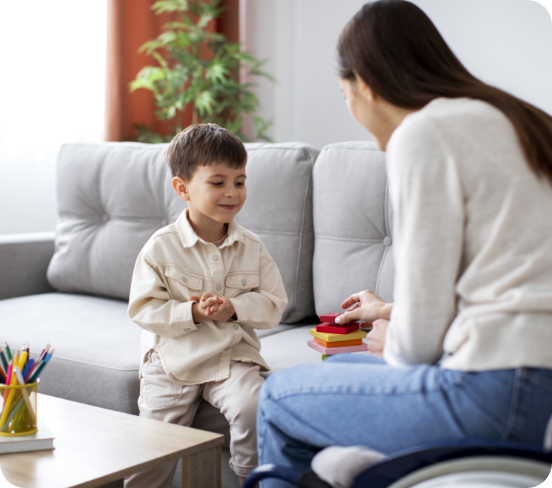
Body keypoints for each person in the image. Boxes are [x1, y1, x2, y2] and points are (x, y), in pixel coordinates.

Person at [256, 1, 552, 485]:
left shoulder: (423, 133)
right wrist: (392, 311)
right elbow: (513, 286)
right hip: (535, 386)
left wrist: (397, 339)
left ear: (365, 86)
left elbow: (416, 345)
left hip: (495, 390)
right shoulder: (520, 121)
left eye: (342, 93)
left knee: (278, 396)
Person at [124, 123, 288, 488]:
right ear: (183, 188)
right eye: (218, 183)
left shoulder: (253, 248)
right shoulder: (160, 248)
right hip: (172, 358)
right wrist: (192, 313)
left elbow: (275, 305)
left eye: (240, 181)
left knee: (254, 406)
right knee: (152, 444)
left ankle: (253, 479)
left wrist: (235, 308)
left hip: (231, 356)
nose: (232, 192)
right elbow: (144, 309)